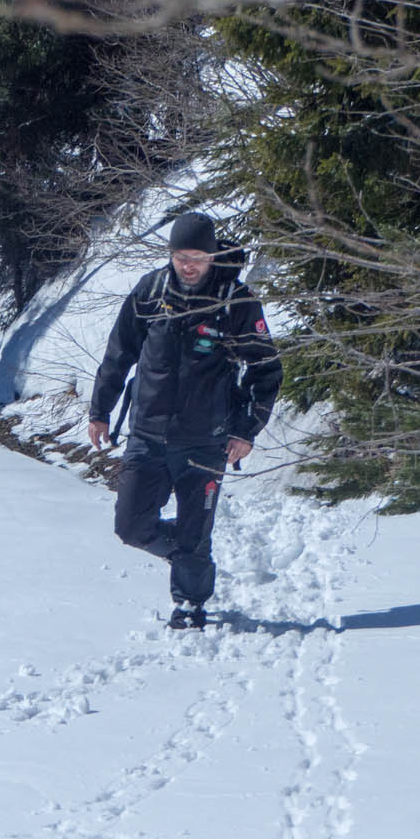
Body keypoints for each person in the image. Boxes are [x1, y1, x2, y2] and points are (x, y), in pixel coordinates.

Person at [86, 211, 282, 630]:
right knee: (132, 527)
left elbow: (266, 370)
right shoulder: (151, 291)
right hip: (147, 435)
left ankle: (191, 604)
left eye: (197, 256)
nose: (188, 265)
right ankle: (192, 555)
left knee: (195, 529)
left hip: (206, 441)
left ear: (212, 256)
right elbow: (119, 353)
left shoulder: (236, 300)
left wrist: (246, 431)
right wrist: (99, 411)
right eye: (180, 256)